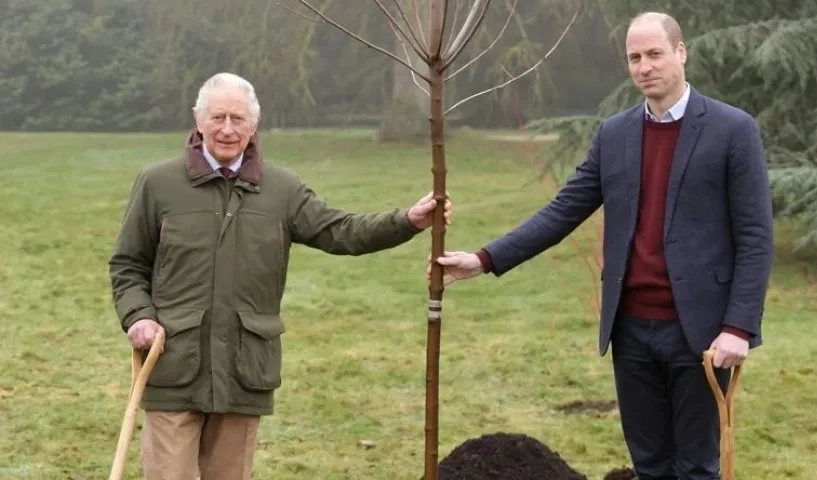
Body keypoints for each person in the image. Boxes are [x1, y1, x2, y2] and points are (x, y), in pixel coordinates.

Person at [428, 11, 773, 480]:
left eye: (654, 54)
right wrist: (486, 259)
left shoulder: (733, 130)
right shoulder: (615, 135)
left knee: (695, 468)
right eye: (634, 57)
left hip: (703, 336)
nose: (644, 66)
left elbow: (755, 237)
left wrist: (738, 326)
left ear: (681, 53)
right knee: (649, 466)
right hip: (630, 330)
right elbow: (563, 210)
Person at [108, 71, 452, 480]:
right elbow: (127, 264)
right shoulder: (157, 184)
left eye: (238, 119)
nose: (228, 129)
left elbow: (341, 231)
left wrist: (407, 221)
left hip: (244, 370)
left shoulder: (282, 189)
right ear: (198, 120)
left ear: (254, 124)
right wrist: (139, 316)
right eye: (218, 117)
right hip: (175, 365)